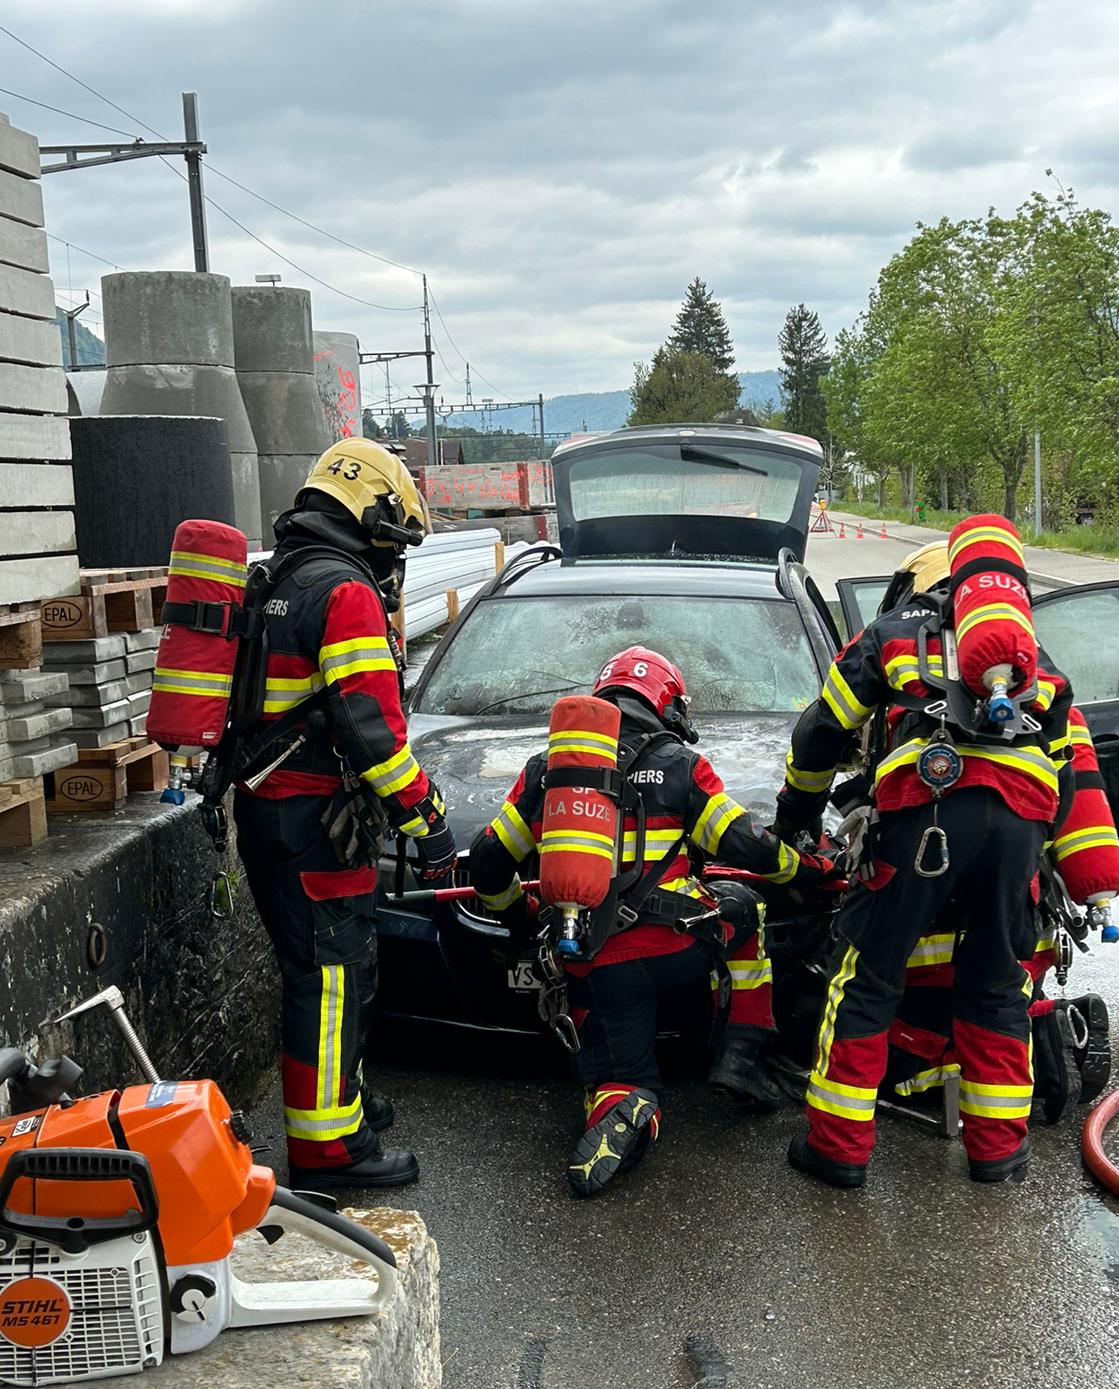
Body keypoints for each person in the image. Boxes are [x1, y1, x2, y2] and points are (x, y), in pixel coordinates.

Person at [469, 645, 835, 1197]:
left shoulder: (550, 771)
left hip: (591, 961)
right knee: (744, 907)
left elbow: (488, 863)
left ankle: (625, 1107)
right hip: (677, 946)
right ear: (667, 706)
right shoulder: (682, 767)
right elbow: (745, 845)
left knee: (618, 1078)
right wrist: (810, 869)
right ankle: (741, 1053)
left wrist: (518, 915)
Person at [774, 521, 1074, 1187]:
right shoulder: (1034, 655)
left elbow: (823, 731)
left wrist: (796, 814)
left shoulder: (892, 633)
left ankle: (837, 1150)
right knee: (998, 985)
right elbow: (1070, 770)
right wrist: (1036, 856)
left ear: (913, 585)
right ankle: (997, 1155)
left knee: (868, 976)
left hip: (925, 809)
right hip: (1021, 822)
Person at [233, 438, 456, 1190]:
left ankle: (343, 1101)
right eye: (394, 537)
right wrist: (427, 819)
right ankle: (330, 1148)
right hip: (315, 823)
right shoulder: (346, 591)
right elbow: (371, 730)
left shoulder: (277, 577)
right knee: (331, 979)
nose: (394, 557)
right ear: (373, 514)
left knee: (322, 971)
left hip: (266, 812)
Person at [885, 702, 1119, 1121]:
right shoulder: (1053, 707)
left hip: (927, 948)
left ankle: (1035, 1053)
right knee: (1003, 1007)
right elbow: (1075, 822)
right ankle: (1049, 1030)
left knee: (898, 1037)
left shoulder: (909, 707)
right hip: (1021, 927)